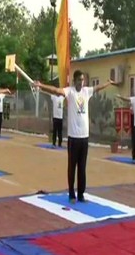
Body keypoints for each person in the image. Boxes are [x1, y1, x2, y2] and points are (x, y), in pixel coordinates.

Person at [35, 71, 115, 203]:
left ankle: (81, 194)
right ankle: (72, 193)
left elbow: (98, 88)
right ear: (74, 81)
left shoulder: (86, 92)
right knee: (72, 166)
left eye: (83, 80)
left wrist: (108, 83)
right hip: (73, 137)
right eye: (79, 80)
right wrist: (41, 85)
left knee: (82, 167)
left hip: (84, 137)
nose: (81, 82)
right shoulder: (70, 92)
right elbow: (56, 90)